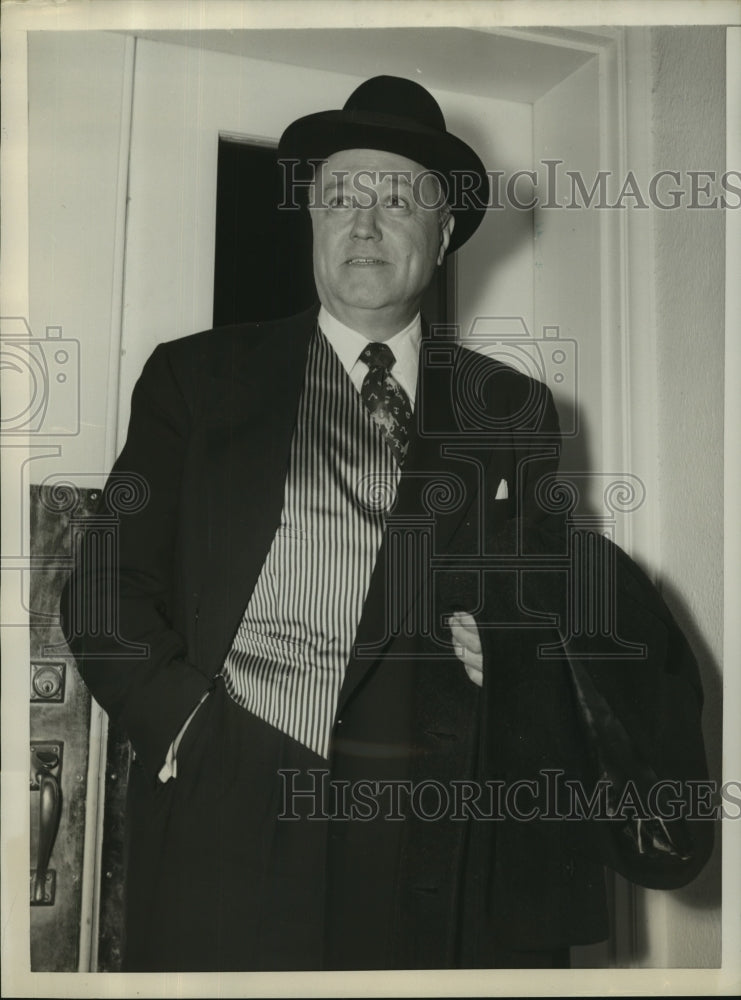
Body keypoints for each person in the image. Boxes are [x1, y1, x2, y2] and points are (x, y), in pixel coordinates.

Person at [61, 75, 713, 972]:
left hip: (441, 843)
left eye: (397, 199)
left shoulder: (513, 408)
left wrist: (516, 644)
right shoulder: (197, 379)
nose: (363, 225)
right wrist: (188, 731)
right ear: (313, 220)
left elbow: (554, 601)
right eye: (340, 198)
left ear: (443, 234)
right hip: (231, 813)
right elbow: (104, 588)